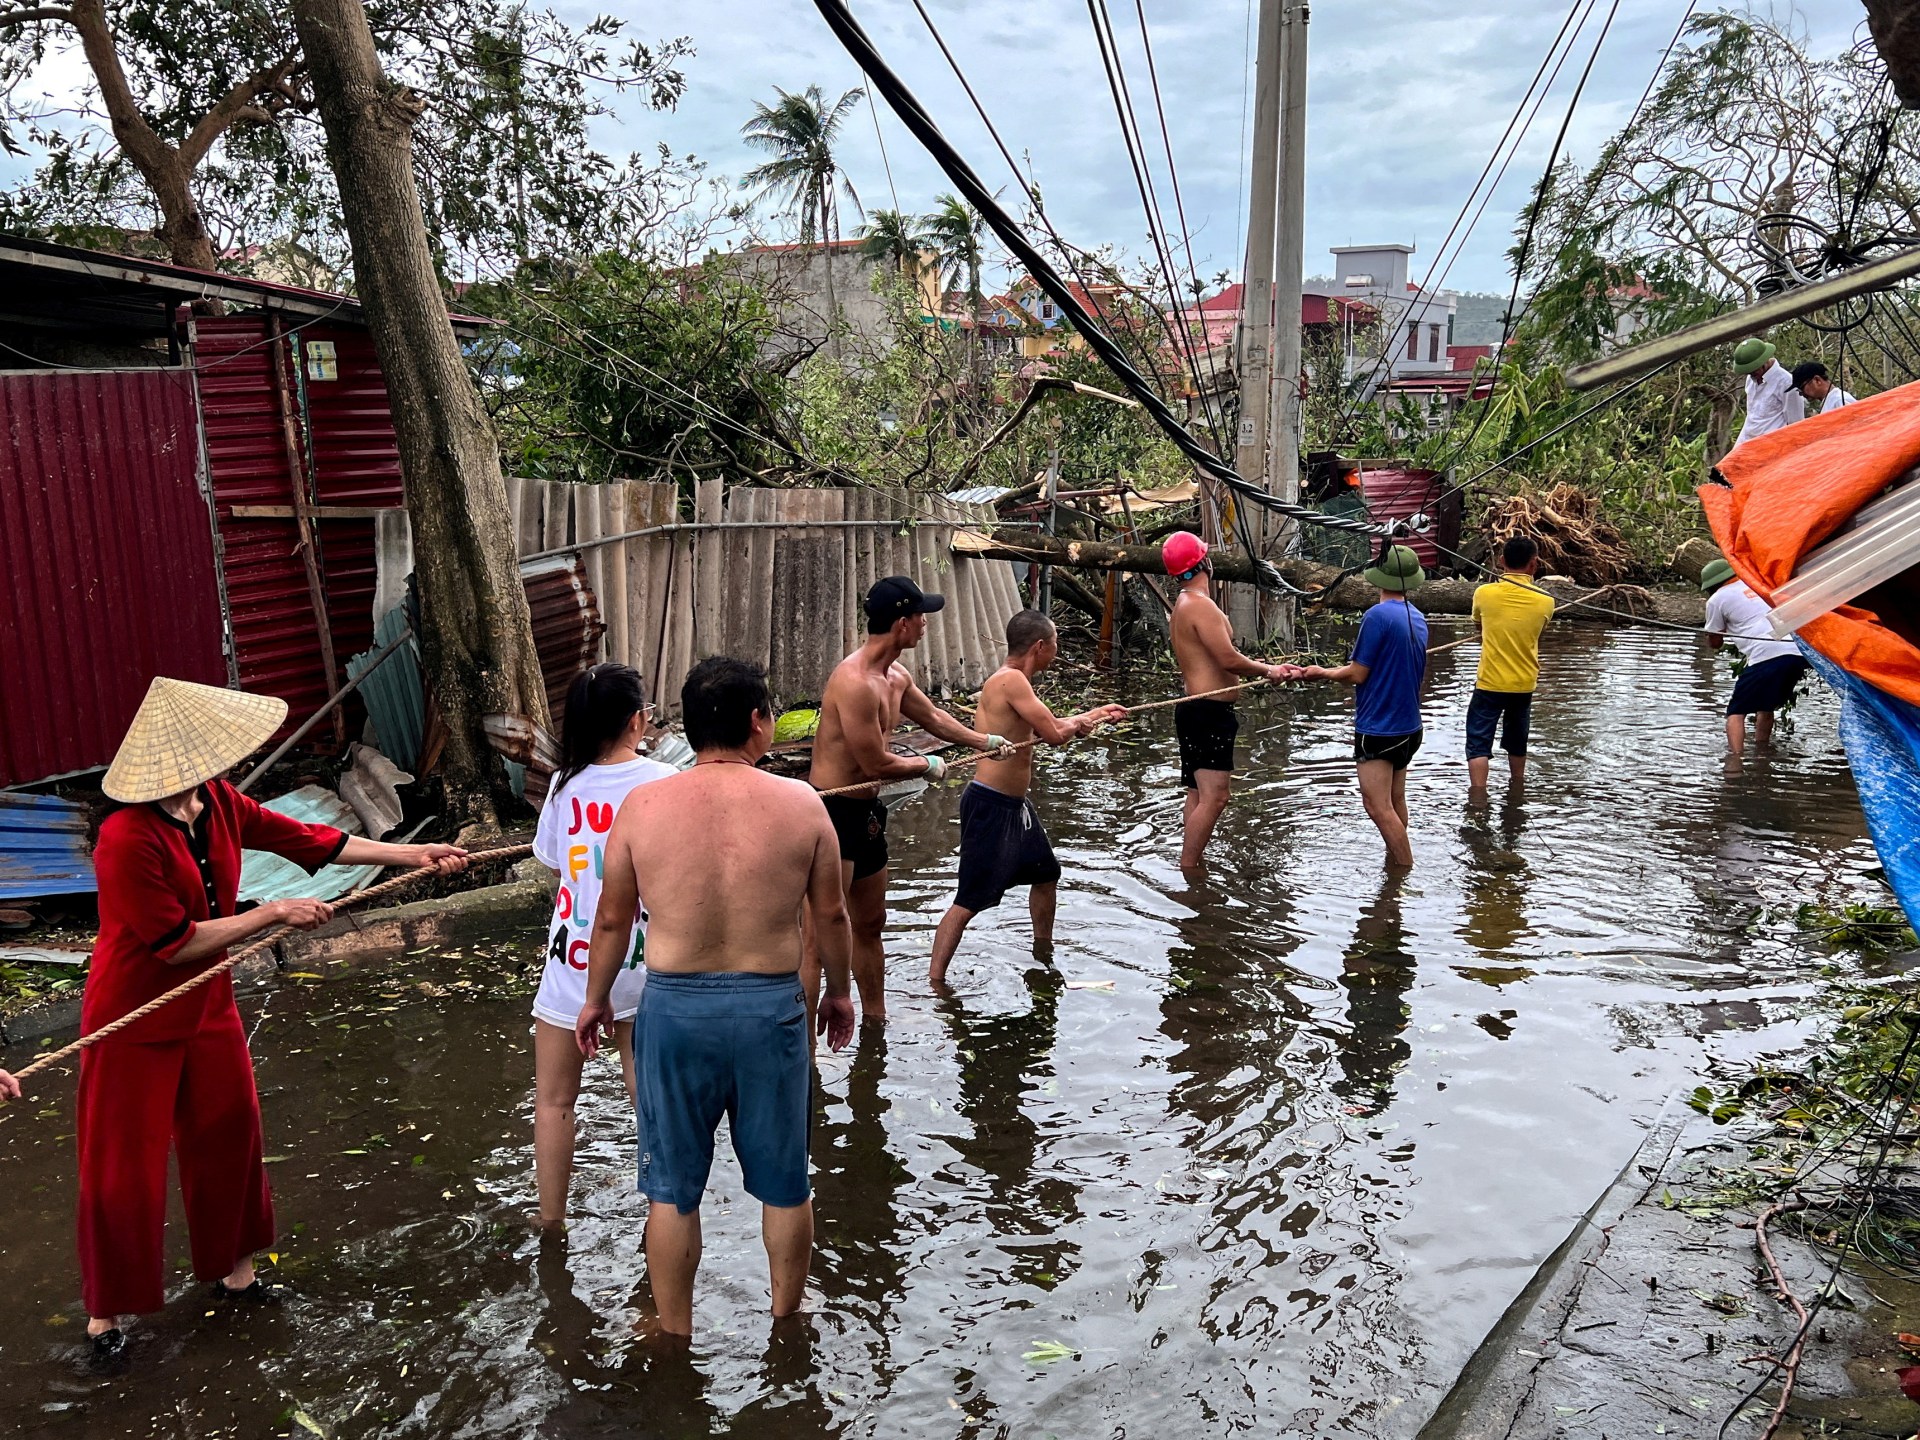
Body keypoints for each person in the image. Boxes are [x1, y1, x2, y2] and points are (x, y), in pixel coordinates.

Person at [78, 677, 468, 1370]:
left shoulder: (220, 804)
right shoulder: (124, 839)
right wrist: (269, 913)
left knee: (229, 1133)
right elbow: (174, 941)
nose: (224, 761)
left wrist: (414, 854)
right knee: (122, 1169)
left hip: (208, 1003)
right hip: (134, 1015)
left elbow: (313, 841)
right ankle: (105, 1314)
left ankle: (236, 1274)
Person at [575, 657, 856, 1338]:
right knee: (787, 1184)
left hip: (675, 1013)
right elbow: (832, 918)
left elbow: (611, 921)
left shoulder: (643, 807)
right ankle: (786, 1324)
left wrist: (595, 1000)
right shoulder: (803, 806)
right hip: (769, 1011)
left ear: (692, 726)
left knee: (671, 1192)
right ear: (760, 723)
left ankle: (675, 1332)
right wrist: (839, 994)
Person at [806, 576, 1007, 1024]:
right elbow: (875, 762)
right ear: (901, 623)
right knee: (820, 937)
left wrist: (983, 740)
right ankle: (807, 1054)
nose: (926, 624)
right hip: (832, 812)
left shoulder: (896, 676)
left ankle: (876, 1022)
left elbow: (933, 716)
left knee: (870, 924)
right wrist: (925, 766)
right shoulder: (854, 682)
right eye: (921, 617)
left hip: (867, 814)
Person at [530, 663, 676, 1229]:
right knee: (649, 1098)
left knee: (554, 1100)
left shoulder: (565, 787)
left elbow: (553, 862)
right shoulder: (665, 782)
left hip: (574, 958)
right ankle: (662, 1214)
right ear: (638, 720)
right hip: (648, 956)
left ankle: (550, 1224)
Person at [927, 610, 1126, 985]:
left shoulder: (1012, 682)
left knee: (1047, 873)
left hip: (1014, 805)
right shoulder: (1012, 682)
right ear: (1039, 646)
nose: (1056, 650)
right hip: (991, 804)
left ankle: (1042, 950)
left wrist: (1096, 714)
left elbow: (1051, 728)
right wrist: (1086, 721)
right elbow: (1053, 733)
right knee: (968, 901)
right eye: (1055, 644)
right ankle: (935, 982)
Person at [1286, 545, 1430, 868]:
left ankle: (1403, 874)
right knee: (1395, 800)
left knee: (1376, 806)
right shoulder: (1418, 618)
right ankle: (1394, 864)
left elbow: (1357, 673)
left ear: (1380, 578)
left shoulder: (1376, 616)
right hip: (1410, 728)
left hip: (1380, 728)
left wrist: (1320, 672)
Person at [1164, 532, 1292, 870]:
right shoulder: (1199, 606)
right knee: (1217, 796)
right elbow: (1229, 659)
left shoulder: (1184, 604)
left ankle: (1192, 866)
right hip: (1208, 712)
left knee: (1198, 793)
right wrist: (1270, 669)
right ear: (1204, 563)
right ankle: (1190, 869)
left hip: (1196, 708)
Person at [1466, 536, 1555, 794]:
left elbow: (1479, 627)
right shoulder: (1546, 601)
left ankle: (1478, 798)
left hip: (1490, 682)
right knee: (1517, 740)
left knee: (1478, 742)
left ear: (1501, 561)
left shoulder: (1484, 593)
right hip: (1523, 684)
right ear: (1534, 564)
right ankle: (1517, 788)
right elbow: (1538, 634)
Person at [1700, 557, 1809, 756]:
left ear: (1711, 586)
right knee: (1766, 706)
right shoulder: (1758, 585)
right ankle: (1762, 754)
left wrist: (1717, 631)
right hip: (1797, 653)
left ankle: (1735, 762)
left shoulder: (1716, 599)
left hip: (1766, 655)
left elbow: (1715, 643)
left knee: (1735, 712)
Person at [1732, 338, 1803, 446]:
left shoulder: (1787, 383)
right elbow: (1752, 415)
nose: (1751, 374)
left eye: (1753, 371)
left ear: (1764, 362)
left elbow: (1796, 423)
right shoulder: (1751, 379)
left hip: (1772, 445)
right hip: (1747, 442)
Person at [1790, 360, 1856, 415]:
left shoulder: (1839, 400)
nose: (1801, 393)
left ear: (1817, 380)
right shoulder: (1830, 401)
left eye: (1802, 388)